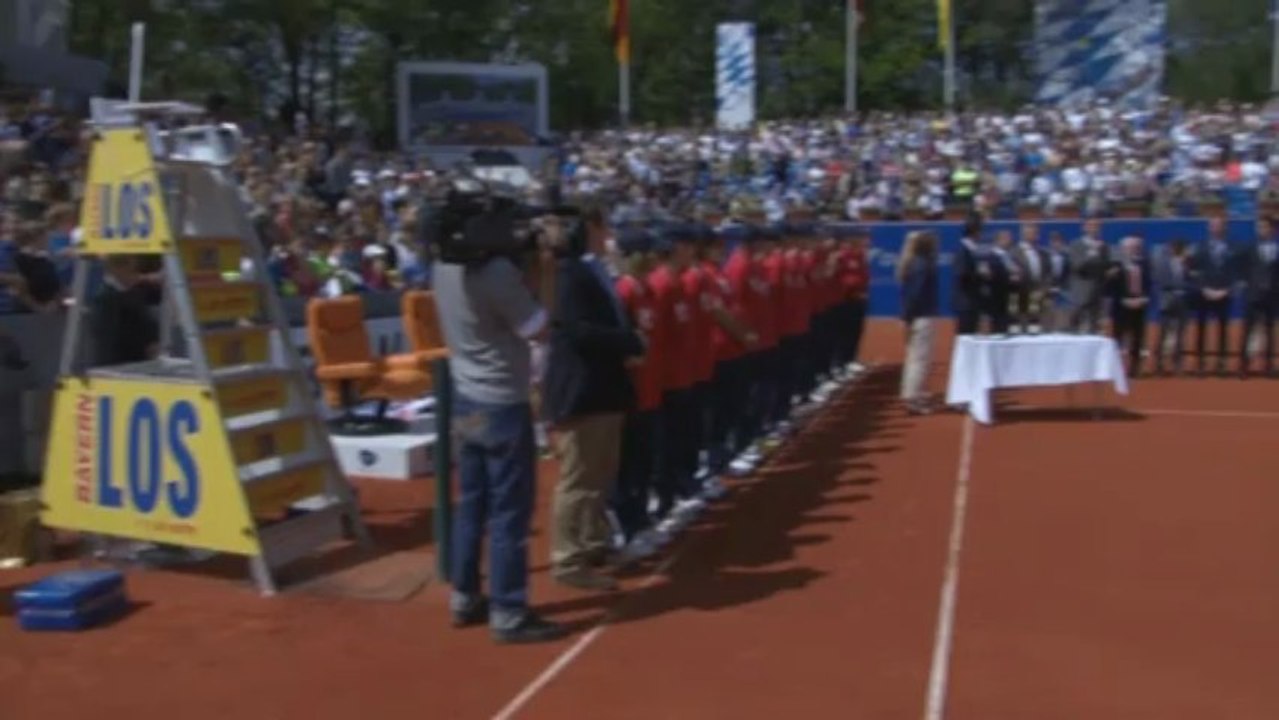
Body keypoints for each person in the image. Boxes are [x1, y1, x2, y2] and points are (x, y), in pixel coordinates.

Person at [432, 210, 566, 644]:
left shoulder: (443, 267)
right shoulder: (496, 274)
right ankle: (509, 610)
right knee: (510, 512)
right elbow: (540, 329)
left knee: (472, 504)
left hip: (465, 399)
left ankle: (464, 595)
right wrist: (544, 269)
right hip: (502, 404)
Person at [542, 205, 645, 591]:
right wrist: (629, 341)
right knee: (579, 478)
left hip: (603, 385)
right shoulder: (569, 275)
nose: (608, 235)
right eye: (602, 227)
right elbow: (578, 331)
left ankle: (593, 543)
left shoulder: (590, 270)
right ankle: (567, 559)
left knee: (600, 473)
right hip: (582, 388)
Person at [611, 226, 667, 562]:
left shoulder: (646, 289)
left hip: (649, 387)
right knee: (627, 466)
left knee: (643, 462)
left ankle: (639, 521)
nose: (655, 258)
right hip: (631, 391)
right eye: (649, 252)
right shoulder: (625, 292)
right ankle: (626, 531)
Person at [897, 231, 939, 415]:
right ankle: (912, 398)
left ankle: (912, 392)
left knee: (916, 356)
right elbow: (915, 294)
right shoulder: (922, 265)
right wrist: (909, 317)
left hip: (918, 315)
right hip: (922, 316)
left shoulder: (913, 263)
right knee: (919, 358)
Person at [92, 255, 159, 366]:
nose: (137, 275)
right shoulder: (106, 299)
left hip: (138, 362)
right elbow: (108, 341)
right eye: (133, 271)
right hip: (119, 365)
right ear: (118, 270)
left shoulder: (133, 292)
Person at [1189, 216, 1235, 375]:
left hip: (1224, 293)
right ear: (1209, 228)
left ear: (1225, 228)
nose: (1216, 228)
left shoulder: (1233, 247)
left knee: (1222, 328)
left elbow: (1235, 272)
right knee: (1201, 327)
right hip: (1204, 293)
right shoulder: (1200, 247)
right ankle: (1201, 362)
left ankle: (1221, 362)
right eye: (1213, 225)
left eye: (1219, 225)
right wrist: (1204, 288)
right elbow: (1193, 271)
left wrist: (1227, 289)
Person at [1238, 215, 1279, 377]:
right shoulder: (1250, 247)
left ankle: (1269, 366)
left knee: (1269, 330)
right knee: (1248, 330)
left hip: (1272, 295)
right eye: (1260, 227)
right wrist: (1245, 283)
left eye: (1265, 226)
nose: (1261, 230)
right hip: (1253, 295)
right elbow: (1241, 267)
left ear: (1272, 229)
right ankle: (1244, 366)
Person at [1108, 236, 1151, 376]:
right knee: (1118, 338)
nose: (1133, 250)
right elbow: (1111, 288)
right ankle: (1115, 368)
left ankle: (1134, 368)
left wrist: (1144, 298)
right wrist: (1123, 299)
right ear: (1123, 249)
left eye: (1135, 247)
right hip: (1122, 306)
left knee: (1137, 337)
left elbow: (1149, 284)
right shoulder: (1116, 266)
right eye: (1129, 247)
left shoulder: (1144, 264)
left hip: (1139, 305)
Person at [1153, 238, 1193, 375]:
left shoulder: (1187, 264)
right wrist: (1180, 286)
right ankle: (1158, 362)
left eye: (1179, 248)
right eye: (1174, 248)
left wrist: (1184, 284)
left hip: (1183, 302)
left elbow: (1191, 282)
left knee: (1180, 334)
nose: (1175, 251)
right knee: (1164, 332)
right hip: (1168, 301)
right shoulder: (1163, 263)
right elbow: (1163, 282)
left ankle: (1177, 363)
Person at [1069, 218, 1111, 334]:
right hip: (1081, 291)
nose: (1094, 229)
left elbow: (1105, 266)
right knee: (1075, 324)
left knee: (1094, 325)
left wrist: (1109, 271)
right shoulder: (1076, 245)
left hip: (1097, 292)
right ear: (1084, 228)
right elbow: (1077, 266)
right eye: (1091, 225)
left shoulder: (1103, 246)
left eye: (1097, 226)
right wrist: (1092, 252)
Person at [1011, 223, 1050, 333]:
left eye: (1036, 233)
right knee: (1019, 324)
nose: (1035, 235)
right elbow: (1012, 272)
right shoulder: (1014, 252)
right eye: (1032, 233)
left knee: (1035, 324)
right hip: (1020, 292)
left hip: (1038, 291)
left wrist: (1045, 287)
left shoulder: (1042, 253)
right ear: (1024, 234)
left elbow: (1047, 272)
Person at [952, 214, 985, 335]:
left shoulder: (972, 250)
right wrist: (980, 273)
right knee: (965, 338)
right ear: (975, 232)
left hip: (972, 303)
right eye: (980, 230)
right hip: (966, 303)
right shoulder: (963, 250)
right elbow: (961, 274)